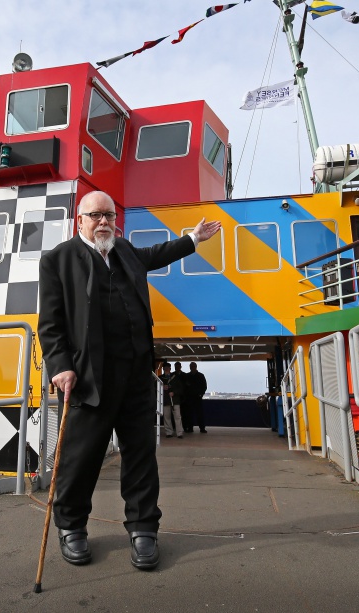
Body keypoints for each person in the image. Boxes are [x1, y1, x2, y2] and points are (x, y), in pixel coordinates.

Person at [37, 190, 221, 571]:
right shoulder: (58, 260)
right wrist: (60, 365)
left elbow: (159, 254)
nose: (104, 221)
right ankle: (70, 527)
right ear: (80, 221)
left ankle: (143, 529)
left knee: (141, 457)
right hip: (88, 380)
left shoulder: (126, 253)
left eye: (109, 215)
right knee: (80, 459)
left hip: (137, 376)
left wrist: (193, 239)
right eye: (96, 215)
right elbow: (51, 324)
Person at [160, 363, 184, 438]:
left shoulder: (176, 377)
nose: (167, 369)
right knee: (167, 417)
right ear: (163, 369)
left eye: (168, 368)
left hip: (175, 400)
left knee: (178, 417)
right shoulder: (160, 378)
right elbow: (155, 387)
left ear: (170, 369)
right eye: (165, 368)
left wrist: (174, 392)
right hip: (166, 400)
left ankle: (179, 433)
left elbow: (181, 389)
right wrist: (162, 387)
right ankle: (168, 432)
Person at [185, 362, 208, 433]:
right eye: (191, 366)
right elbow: (185, 387)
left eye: (193, 366)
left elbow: (204, 386)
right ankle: (190, 428)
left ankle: (202, 428)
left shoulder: (201, 376)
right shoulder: (187, 376)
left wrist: (201, 394)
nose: (192, 367)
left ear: (196, 367)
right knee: (189, 414)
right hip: (189, 398)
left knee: (200, 414)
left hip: (198, 398)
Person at [174, 361, 192, 432]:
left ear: (180, 367)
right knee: (176, 414)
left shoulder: (185, 375)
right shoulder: (173, 375)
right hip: (175, 397)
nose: (177, 368)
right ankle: (176, 428)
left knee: (185, 414)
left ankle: (186, 427)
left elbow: (188, 386)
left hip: (184, 397)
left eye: (178, 366)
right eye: (176, 367)